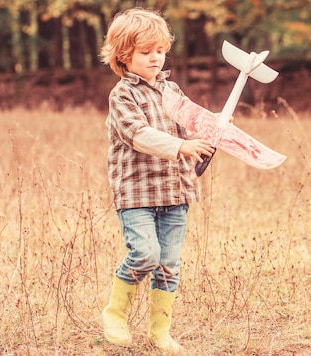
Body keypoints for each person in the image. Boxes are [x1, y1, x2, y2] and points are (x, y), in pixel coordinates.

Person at [99, 7, 215, 353]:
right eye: (145, 52)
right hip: (137, 193)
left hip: (175, 190)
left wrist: (214, 126)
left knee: (168, 264)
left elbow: (194, 124)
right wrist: (182, 145)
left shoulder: (172, 90)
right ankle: (115, 314)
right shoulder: (122, 96)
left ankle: (160, 331)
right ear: (123, 55)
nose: (155, 58)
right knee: (145, 254)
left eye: (160, 51)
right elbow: (140, 135)